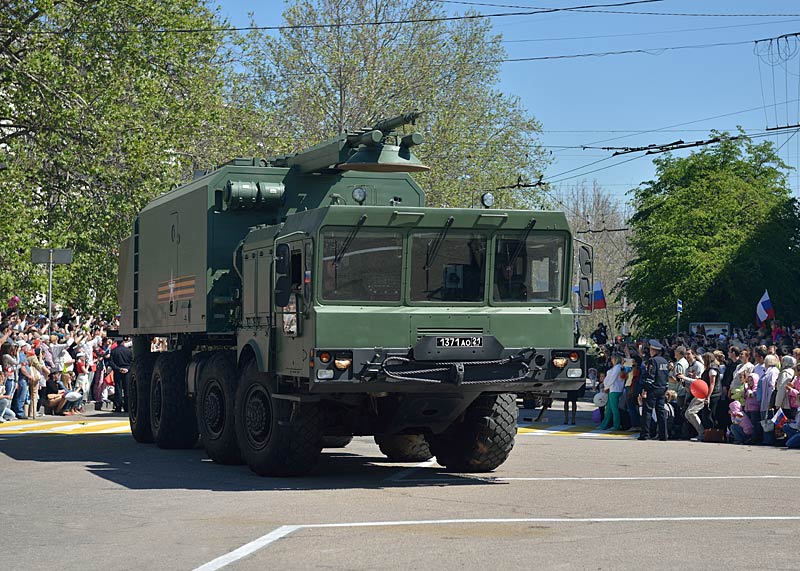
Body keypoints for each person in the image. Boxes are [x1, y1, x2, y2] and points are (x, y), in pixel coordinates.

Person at [639, 339, 669, 441]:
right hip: (662, 388)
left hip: (653, 389)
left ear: (653, 350)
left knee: (647, 411)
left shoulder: (653, 361)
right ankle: (663, 435)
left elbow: (650, 376)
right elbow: (666, 376)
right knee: (660, 412)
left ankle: (645, 434)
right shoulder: (665, 361)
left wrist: (645, 389)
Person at [599, 354, 623, 431]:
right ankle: (604, 425)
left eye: (613, 359)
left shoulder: (617, 368)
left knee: (614, 409)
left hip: (615, 390)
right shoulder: (617, 367)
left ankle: (616, 425)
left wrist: (606, 387)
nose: (611, 360)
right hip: (613, 389)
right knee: (609, 409)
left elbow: (612, 378)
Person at [110, 337, 133, 413]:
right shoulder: (129, 351)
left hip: (118, 371)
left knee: (118, 389)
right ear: (123, 342)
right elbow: (132, 362)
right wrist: (128, 369)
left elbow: (111, 363)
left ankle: (118, 406)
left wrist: (119, 369)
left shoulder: (113, 351)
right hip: (127, 371)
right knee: (127, 390)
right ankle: (127, 407)